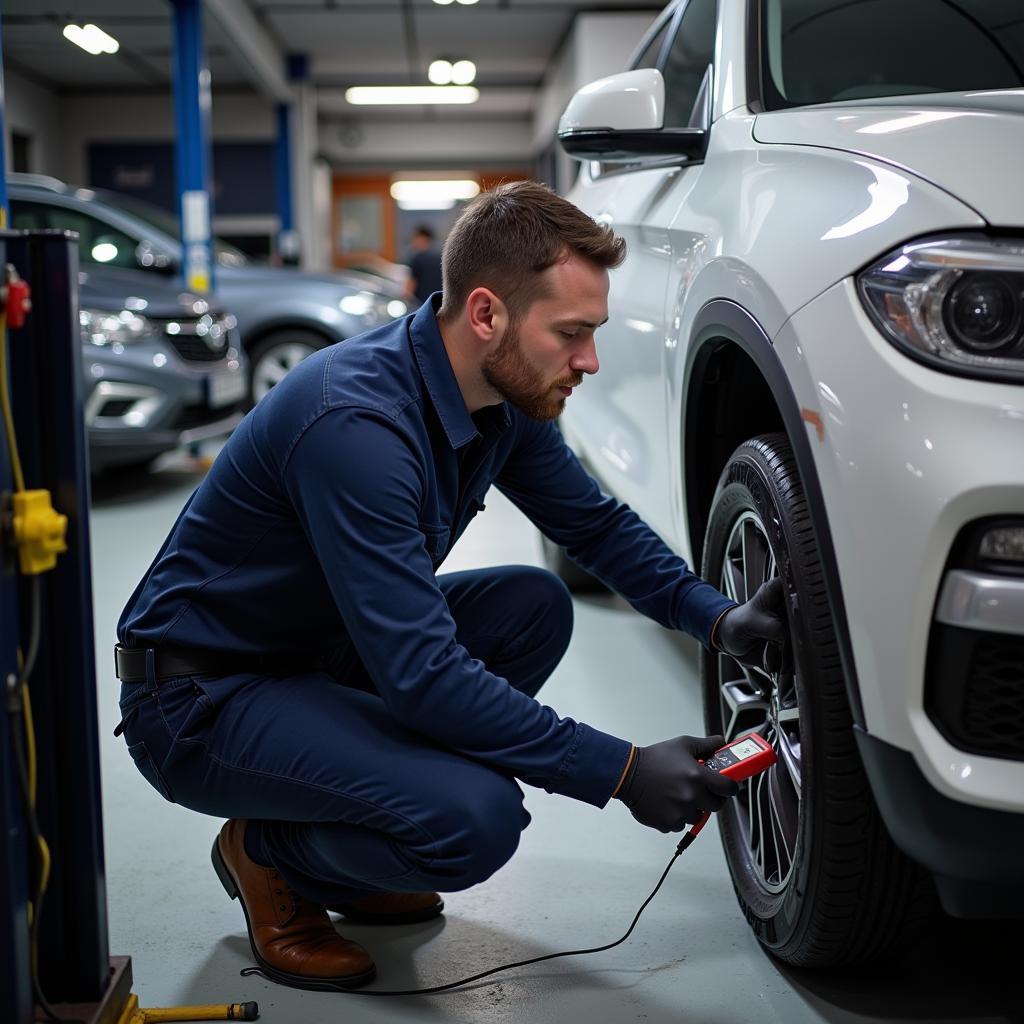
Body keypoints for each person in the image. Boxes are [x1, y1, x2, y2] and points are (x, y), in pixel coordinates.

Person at [113, 181, 786, 993]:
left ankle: (363, 817)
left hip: (315, 652)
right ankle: (268, 853)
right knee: (476, 820)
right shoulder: (356, 427)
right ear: (485, 315)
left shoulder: (505, 399)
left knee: (531, 609)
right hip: (201, 698)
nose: (590, 361)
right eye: (570, 334)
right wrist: (622, 770)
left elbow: (596, 528)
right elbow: (424, 678)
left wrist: (715, 618)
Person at [403, 224, 443, 306]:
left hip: (421, 304)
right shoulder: (441, 256)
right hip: (440, 301)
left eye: (415, 238)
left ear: (422, 238)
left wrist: (405, 300)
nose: (413, 242)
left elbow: (410, 286)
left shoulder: (417, 258)